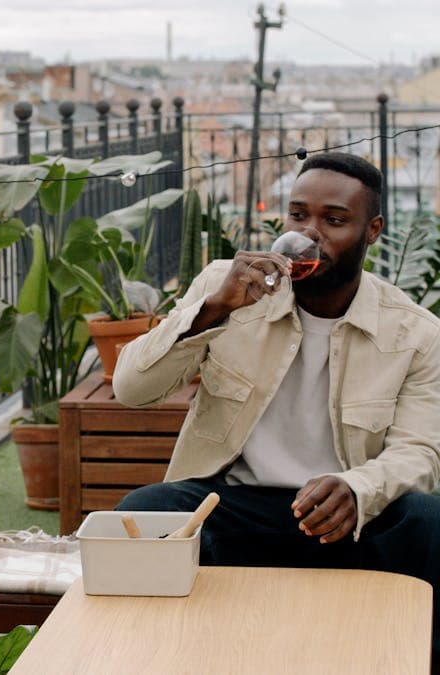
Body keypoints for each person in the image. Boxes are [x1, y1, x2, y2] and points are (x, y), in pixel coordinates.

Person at [113, 151, 440, 653]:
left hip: (349, 516)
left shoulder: (416, 332)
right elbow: (130, 389)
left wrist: (357, 488)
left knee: (427, 520)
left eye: (334, 221)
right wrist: (213, 310)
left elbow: (419, 452)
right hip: (236, 509)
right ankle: (148, 656)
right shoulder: (226, 289)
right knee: (146, 509)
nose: (310, 234)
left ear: (372, 231)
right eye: (298, 215)